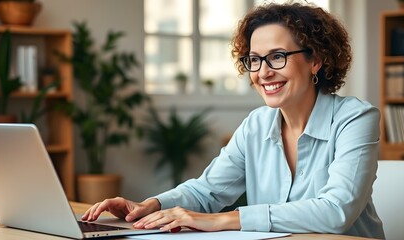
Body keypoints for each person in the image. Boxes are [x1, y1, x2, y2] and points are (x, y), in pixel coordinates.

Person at [82, 2, 384, 238]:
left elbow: (336, 211)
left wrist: (225, 219)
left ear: (315, 60)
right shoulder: (256, 125)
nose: (263, 72)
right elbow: (207, 191)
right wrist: (152, 205)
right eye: (254, 59)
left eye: (277, 56)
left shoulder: (355, 119)